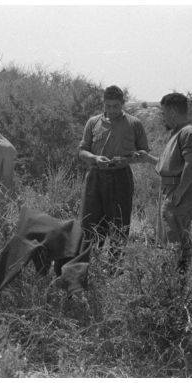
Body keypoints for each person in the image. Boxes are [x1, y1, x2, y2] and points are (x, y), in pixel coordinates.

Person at [137, 92, 192, 272]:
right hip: (172, 190)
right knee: (172, 240)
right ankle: (174, 287)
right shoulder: (179, 133)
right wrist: (148, 159)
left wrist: (179, 193)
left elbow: (191, 165)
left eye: (164, 112)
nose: (163, 117)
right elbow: (170, 165)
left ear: (173, 112)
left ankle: (175, 288)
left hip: (178, 192)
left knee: (174, 244)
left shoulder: (188, 133)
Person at [78, 85, 150, 257]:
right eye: (108, 106)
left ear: (122, 103)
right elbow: (82, 151)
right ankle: (89, 265)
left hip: (121, 178)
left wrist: (127, 159)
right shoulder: (93, 122)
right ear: (103, 104)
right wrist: (94, 158)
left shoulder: (134, 124)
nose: (111, 110)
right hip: (95, 178)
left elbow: (144, 153)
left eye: (115, 106)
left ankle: (114, 268)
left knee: (119, 225)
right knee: (90, 224)